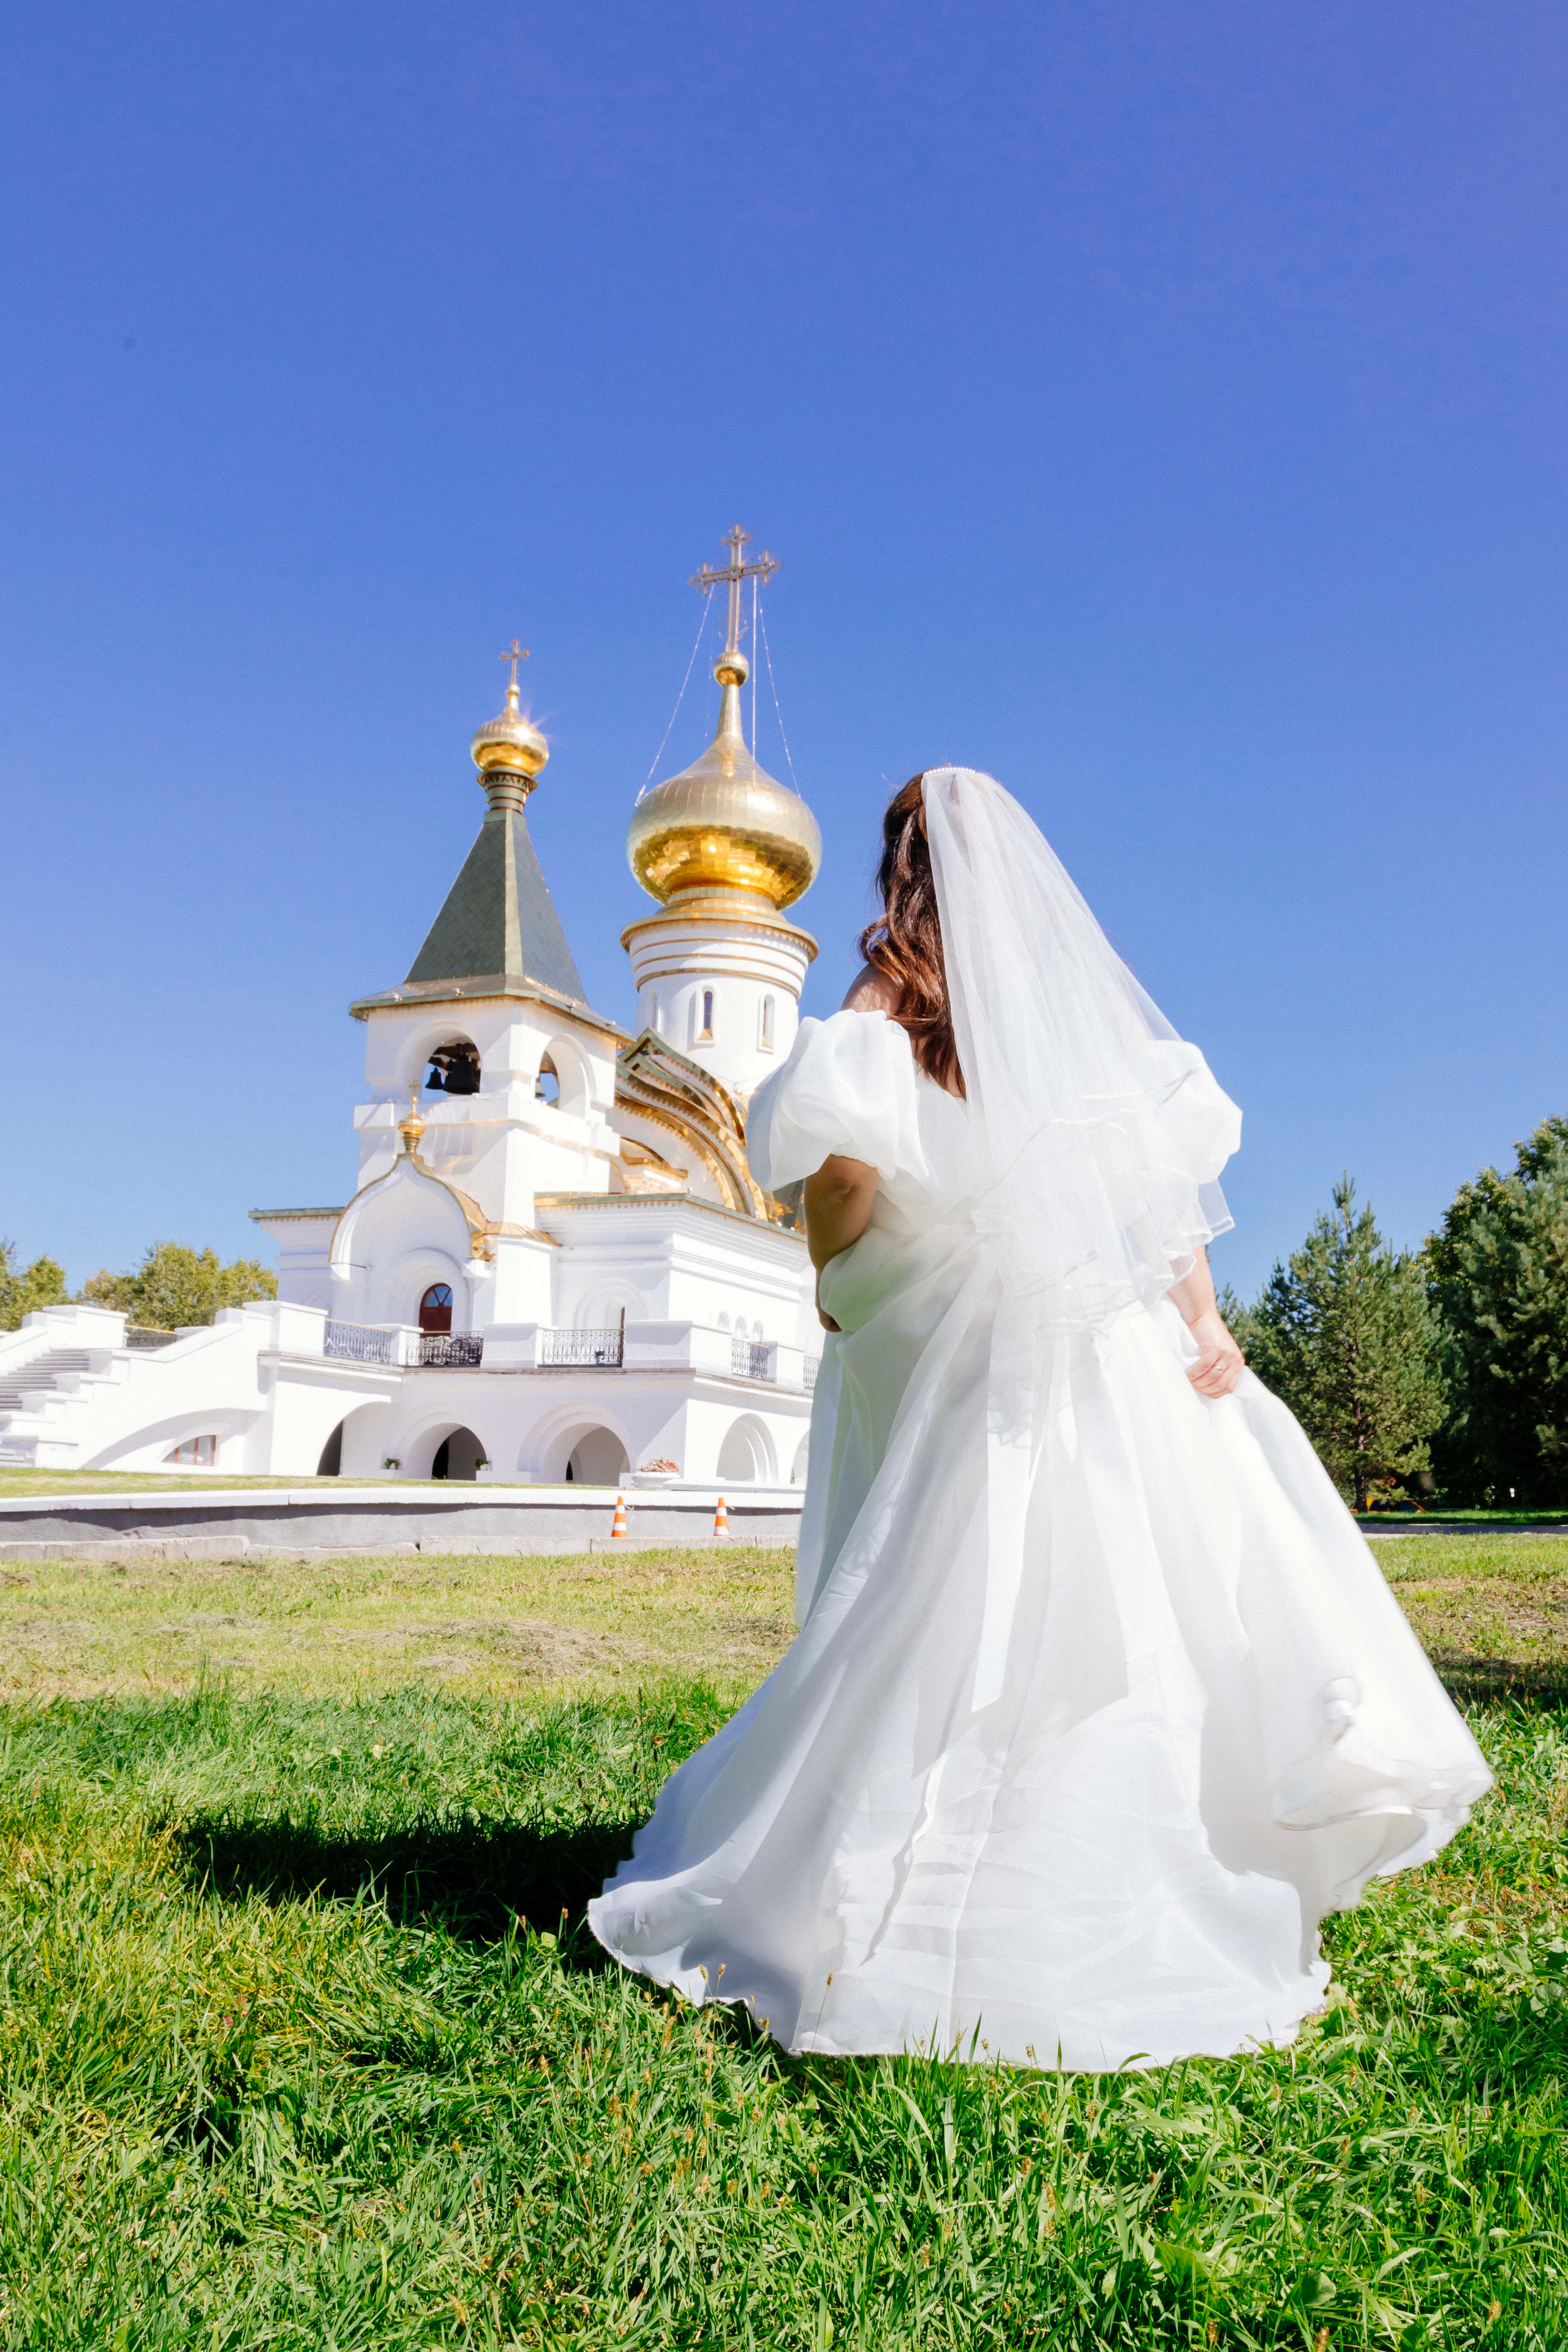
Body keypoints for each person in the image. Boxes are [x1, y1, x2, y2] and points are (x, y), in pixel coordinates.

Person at [589, 767, 1491, 2071]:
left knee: (945, 1581)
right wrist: (1202, 1325)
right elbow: (1151, 1198)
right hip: (1098, 1332)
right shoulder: (1072, 1025)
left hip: (947, 1325)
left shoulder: (884, 1002)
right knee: (1122, 1589)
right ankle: (1155, 1854)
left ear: (898, 868)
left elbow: (841, 1178)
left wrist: (832, 1287)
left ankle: (914, 1876)